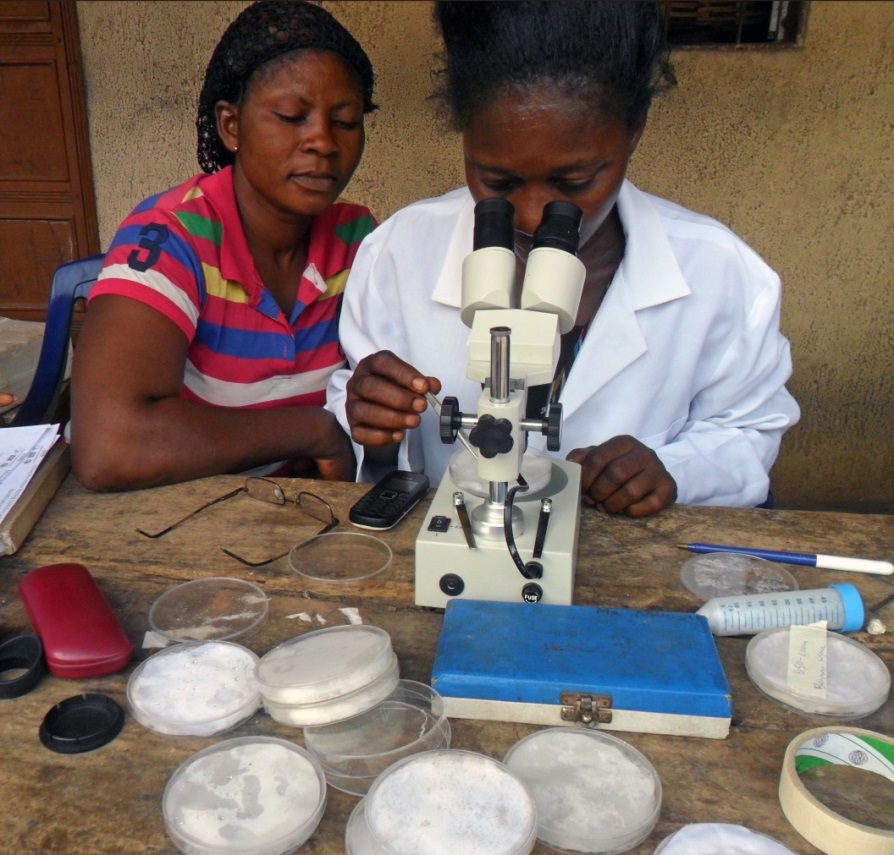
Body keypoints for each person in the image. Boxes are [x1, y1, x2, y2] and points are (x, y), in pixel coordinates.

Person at [327, 0, 800, 516]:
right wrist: (372, 426)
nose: (531, 216)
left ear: (634, 129)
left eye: (574, 183)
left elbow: (747, 431)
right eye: (498, 182)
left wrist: (673, 470)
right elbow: (364, 430)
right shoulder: (399, 255)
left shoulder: (722, 275)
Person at [70, 0, 377, 491]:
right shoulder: (170, 239)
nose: (322, 140)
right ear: (231, 126)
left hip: (311, 515)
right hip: (191, 513)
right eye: (292, 116)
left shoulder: (359, 240)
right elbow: (109, 446)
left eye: (345, 121)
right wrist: (314, 431)